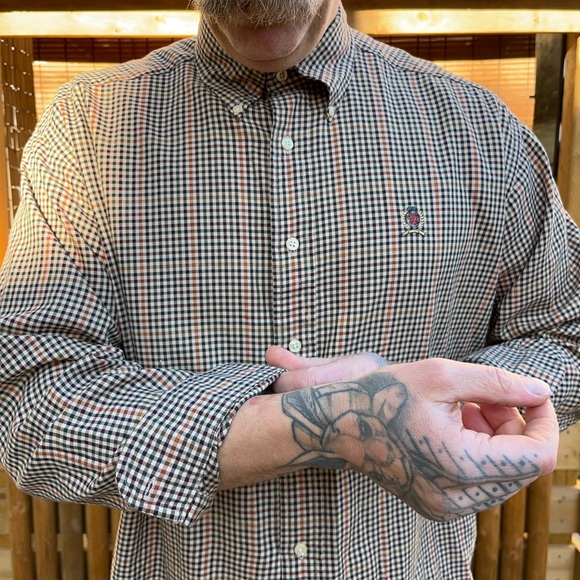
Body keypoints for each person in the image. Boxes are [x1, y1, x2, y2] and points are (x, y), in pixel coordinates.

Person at [0, 0, 578, 577]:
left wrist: (469, 403)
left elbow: (567, 336)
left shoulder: (480, 130)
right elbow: (30, 403)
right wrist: (342, 420)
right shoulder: (87, 128)